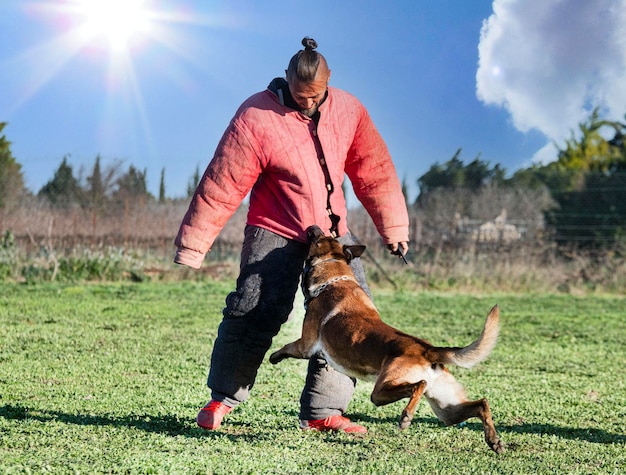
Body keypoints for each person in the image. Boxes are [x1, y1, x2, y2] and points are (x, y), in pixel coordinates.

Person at [174, 37, 409, 433]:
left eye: (314, 96)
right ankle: (221, 400)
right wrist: (193, 245)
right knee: (254, 308)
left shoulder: (350, 110)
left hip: (333, 236)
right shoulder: (256, 115)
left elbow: (374, 170)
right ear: (286, 79)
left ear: (329, 81)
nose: (306, 103)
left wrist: (394, 227)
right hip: (275, 229)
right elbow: (222, 182)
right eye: (300, 96)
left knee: (350, 319)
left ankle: (323, 411)